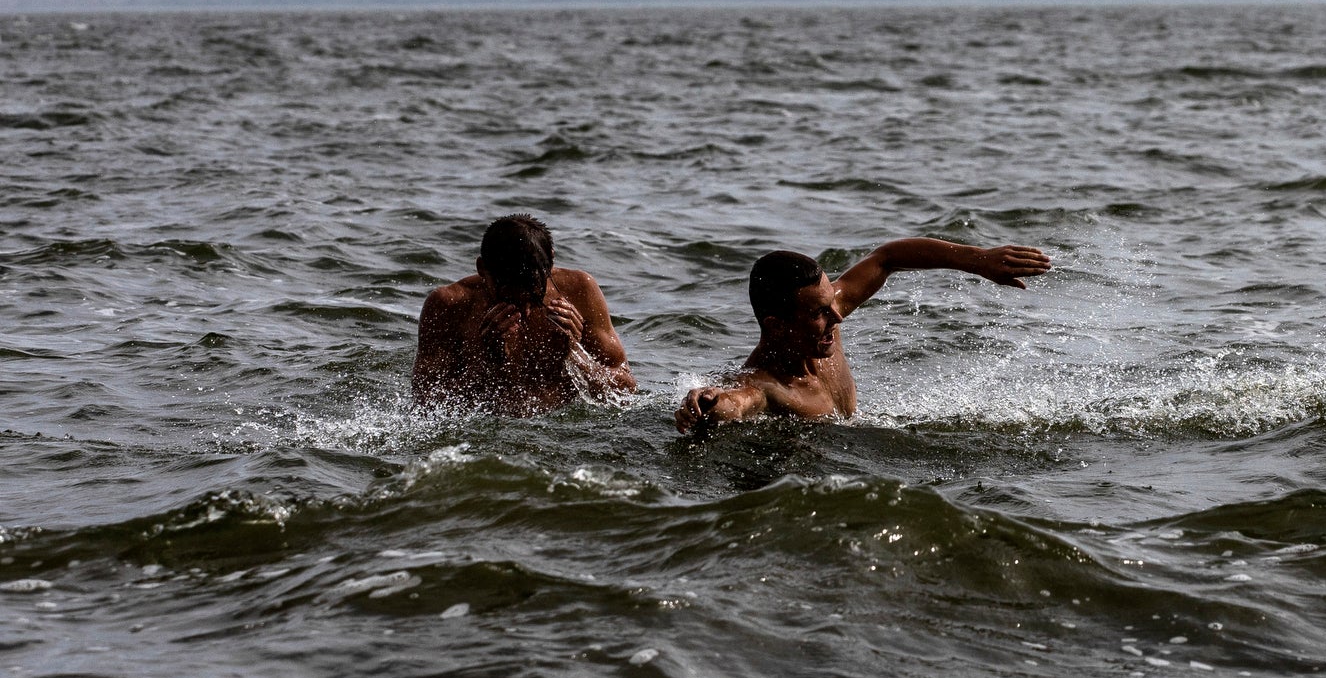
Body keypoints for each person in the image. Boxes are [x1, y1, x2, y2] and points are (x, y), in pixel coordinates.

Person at [674, 239, 1050, 430]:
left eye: (831, 301)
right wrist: (711, 402)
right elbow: (740, 400)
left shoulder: (821, 327)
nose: (837, 315)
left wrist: (975, 260)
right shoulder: (768, 384)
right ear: (776, 325)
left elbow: (886, 258)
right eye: (820, 313)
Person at [413, 215, 635, 412]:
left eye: (534, 299)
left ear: (551, 261)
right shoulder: (449, 304)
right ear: (482, 269)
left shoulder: (580, 290)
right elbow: (425, 403)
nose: (525, 312)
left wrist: (576, 356)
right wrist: (487, 362)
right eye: (508, 299)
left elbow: (627, 391)